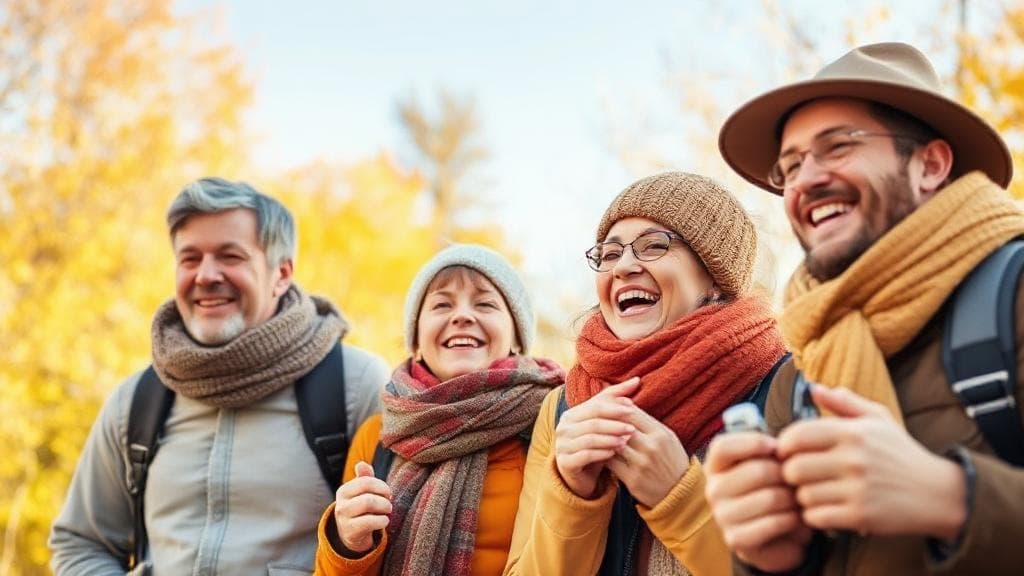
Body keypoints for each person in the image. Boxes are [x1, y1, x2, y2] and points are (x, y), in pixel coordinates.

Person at [707, 42, 1024, 575]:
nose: (805, 180)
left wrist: (952, 498)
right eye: (791, 165)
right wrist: (769, 558)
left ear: (930, 165)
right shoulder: (799, 373)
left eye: (838, 147)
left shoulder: (1012, 298)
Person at [49, 177, 390, 575]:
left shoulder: (356, 385)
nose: (206, 275)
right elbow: (80, 544)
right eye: (190, 258)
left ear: (281, 274)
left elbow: (404, 545)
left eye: (230, 256)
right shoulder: (137, 401)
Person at [504, 171, 789, 575]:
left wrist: (682, 500)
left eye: (654, 246)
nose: (623, 267)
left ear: (713, 276)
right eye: (609, 253)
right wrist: (570, 494)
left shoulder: (786, 387)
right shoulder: (563, 408)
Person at [314, 244, 565, 576]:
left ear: (517, 337)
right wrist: (347, 543)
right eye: (442, 304)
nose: (461, 316)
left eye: (485, 303)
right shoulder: (379, 435)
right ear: (416, 340)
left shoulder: (550, 422)